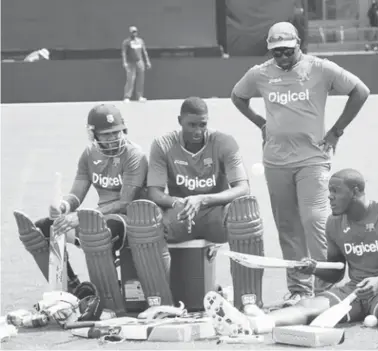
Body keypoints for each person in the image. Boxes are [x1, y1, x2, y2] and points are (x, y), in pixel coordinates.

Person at [204, 169, 378, 343]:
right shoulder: (334, 223)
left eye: (335, 191)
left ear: (356, 191)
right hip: (354, 291)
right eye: (329, 191)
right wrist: (314, 268)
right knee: (307, 306)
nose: (329, 197)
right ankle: (250, 325)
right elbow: (337, 270)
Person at [231, 21, 370, 305]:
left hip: (312, 159)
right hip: (275, 161)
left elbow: (360, 91)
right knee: (288, 226)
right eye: (276, 52)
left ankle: (324, 289)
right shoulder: (260, 74)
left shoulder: (320, 68)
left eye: (286, 51)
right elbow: (237, 96)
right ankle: (297, 289)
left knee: (315, 220)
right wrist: (261, 123)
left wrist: (336, 131)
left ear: (298, 45)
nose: (281, 57)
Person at [126, 96, 265, 313]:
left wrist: (202, 199)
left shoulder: (223, 142)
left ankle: (248, 301)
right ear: (180, 120)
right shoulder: (163, 144)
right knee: (144, 220)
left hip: (215, 215)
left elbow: (242, 188)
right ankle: (161, 305)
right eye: (192, 125)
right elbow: (154, 192)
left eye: (203, 124)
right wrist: (178, 202)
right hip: (180, 214)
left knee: (246, 212)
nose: (198, 130)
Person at [14, 104, 148, 314]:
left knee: (98, 231)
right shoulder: (89, 155)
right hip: (99, 218)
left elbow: (125, 201)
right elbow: (76, 193)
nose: (114, 138)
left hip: (127, 220)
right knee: (44, 228)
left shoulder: (135, 155)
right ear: (93, 134)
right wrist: (63, 206)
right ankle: (74, 290)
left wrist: (83, 217)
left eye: (117, 132)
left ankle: (110, 301)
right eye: (107, 134)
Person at [122, 26, 151, 102]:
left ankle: (139, 96)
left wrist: (147, 61)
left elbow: (144, 52)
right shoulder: (126, 42)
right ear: (130, 32)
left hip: (140, 62)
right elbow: (124, 53)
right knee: (130, 79)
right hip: (131, 63)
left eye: (135, 31)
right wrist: (125, 62)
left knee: (140, 79)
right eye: (132, 32)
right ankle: (127, 97)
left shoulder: (140, 41)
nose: (134, 33)